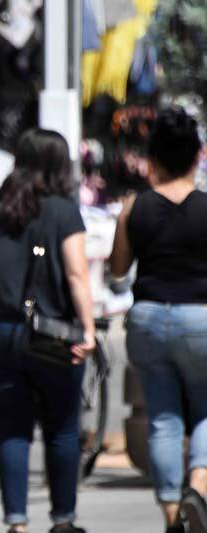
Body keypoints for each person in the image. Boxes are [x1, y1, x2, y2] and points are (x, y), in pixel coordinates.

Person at [0, 129, 95, 533]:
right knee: (62, 429)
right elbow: (78, 274)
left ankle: (16, 523)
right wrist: (89, 329)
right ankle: (62, 521)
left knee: (13, 430)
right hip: (53, 337)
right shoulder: (63, 210)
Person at [109, 107, 207, 533]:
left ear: (155, 157)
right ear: (196, 156)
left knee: (164, 418)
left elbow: (117, 268)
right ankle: (199, 487)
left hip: (147, 319)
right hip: (201, 319)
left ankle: (172, 515)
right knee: (206, 411)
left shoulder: (135, 207)